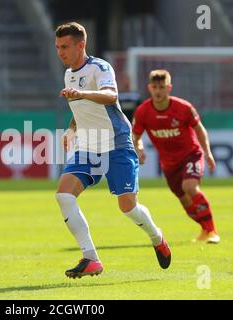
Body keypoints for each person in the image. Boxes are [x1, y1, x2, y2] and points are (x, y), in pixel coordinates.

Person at [54, 22, 171, 279]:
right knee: (64, 195)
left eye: (65, 46)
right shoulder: (68, 75)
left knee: (128, 207)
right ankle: (90, 258)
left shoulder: (99, 67)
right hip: (87, 145)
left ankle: (156, 236)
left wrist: (81, 93)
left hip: (116, 143)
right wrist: (72, 129)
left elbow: (110, 95)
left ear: (80, 45)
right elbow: (81, 109)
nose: (60, 52)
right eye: (58, 47)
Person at [132, 69, 220, 244]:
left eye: (162, 87)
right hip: (169, 164)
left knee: (190, 186)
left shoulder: (183, 108)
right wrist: (139, 149)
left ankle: (212, 231)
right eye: (155, 87)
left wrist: (207, 152)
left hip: (190, 155)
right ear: (149, 88)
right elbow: (135, 136)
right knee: (185, 201)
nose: (158, 91)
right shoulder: (143, 112)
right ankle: (205, 228)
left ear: (169, 88)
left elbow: (199, 129)